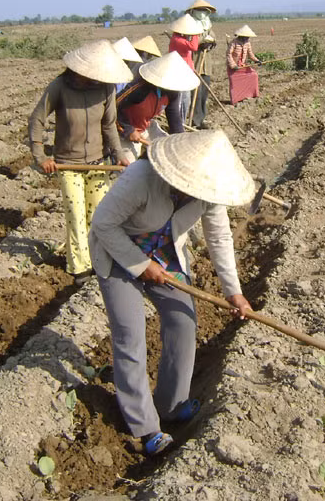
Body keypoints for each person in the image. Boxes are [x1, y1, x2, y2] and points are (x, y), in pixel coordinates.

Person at [89, 130, 255, 455]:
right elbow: (103, 224)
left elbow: (219, 239)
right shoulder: (141, 177)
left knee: (183, 321)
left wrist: (233, 292)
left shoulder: (210, 193)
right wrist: (140, 266)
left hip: (165, 254)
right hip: (117, 253)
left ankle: (171, 403)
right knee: (130, 334)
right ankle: (146, 426)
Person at [28, 40, 133, 285]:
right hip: (68, 164)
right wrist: (41, 156)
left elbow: (108, 125)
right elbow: (37, 119)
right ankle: (80, 267)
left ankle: (99, 260)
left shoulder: (107, 89)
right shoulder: (59, 87)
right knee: (76, 215)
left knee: (98, 216)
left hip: (98, 163)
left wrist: (118, 153)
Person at [116, 51, 199, 161]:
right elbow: (113, 107)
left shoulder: (172, 93)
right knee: (130, 168)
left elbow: (175, 121)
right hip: (122, 129)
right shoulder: (140, 89)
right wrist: (128, 130)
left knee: (167, 151)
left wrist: (181, 143)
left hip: (145, 126)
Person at [185, 0, 217, 128]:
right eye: (200, 10)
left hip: (206, 64)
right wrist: (201, 43)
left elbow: (214, 37)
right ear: (194, 11)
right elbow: (189, 44)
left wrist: (210, 43)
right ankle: (195, 120)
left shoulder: (208, 25)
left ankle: (202, 118)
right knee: (195, 94)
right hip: (195, 62)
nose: (203, 13)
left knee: (204, 92)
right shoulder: (188, 26)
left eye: (204, 10)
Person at [167, 14, 204, 123]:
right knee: (180, 99)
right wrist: (196, 34)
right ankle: (179, 123)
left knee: (185, 99)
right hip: (179, 72)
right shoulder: (177, 39)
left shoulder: (181, 38)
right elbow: (194, 47)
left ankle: (181, 122)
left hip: (186, 70)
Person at [226, 25, 261, 106]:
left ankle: (251, 95)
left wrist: (256, 60)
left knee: (253, 75)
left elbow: (250, 54)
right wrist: (233, 65)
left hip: (242, 65)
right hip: (233, 67)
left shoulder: (247, 43)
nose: (247, 38)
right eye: (246, 37)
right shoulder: (233, 43)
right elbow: (228, 54)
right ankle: (235, 100)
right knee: (234, 84)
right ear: (241, 36)